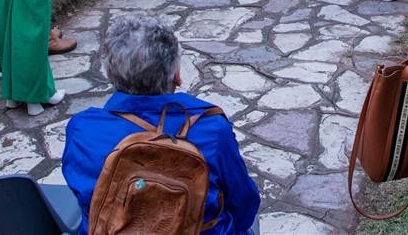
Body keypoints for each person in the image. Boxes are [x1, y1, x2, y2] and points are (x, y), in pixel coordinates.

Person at [62, 15, 260, 235]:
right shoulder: (211, 128)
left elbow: (82, 196)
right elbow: (245, 206)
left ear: (110, 72)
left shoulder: (82, 129)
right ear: (176, 74)